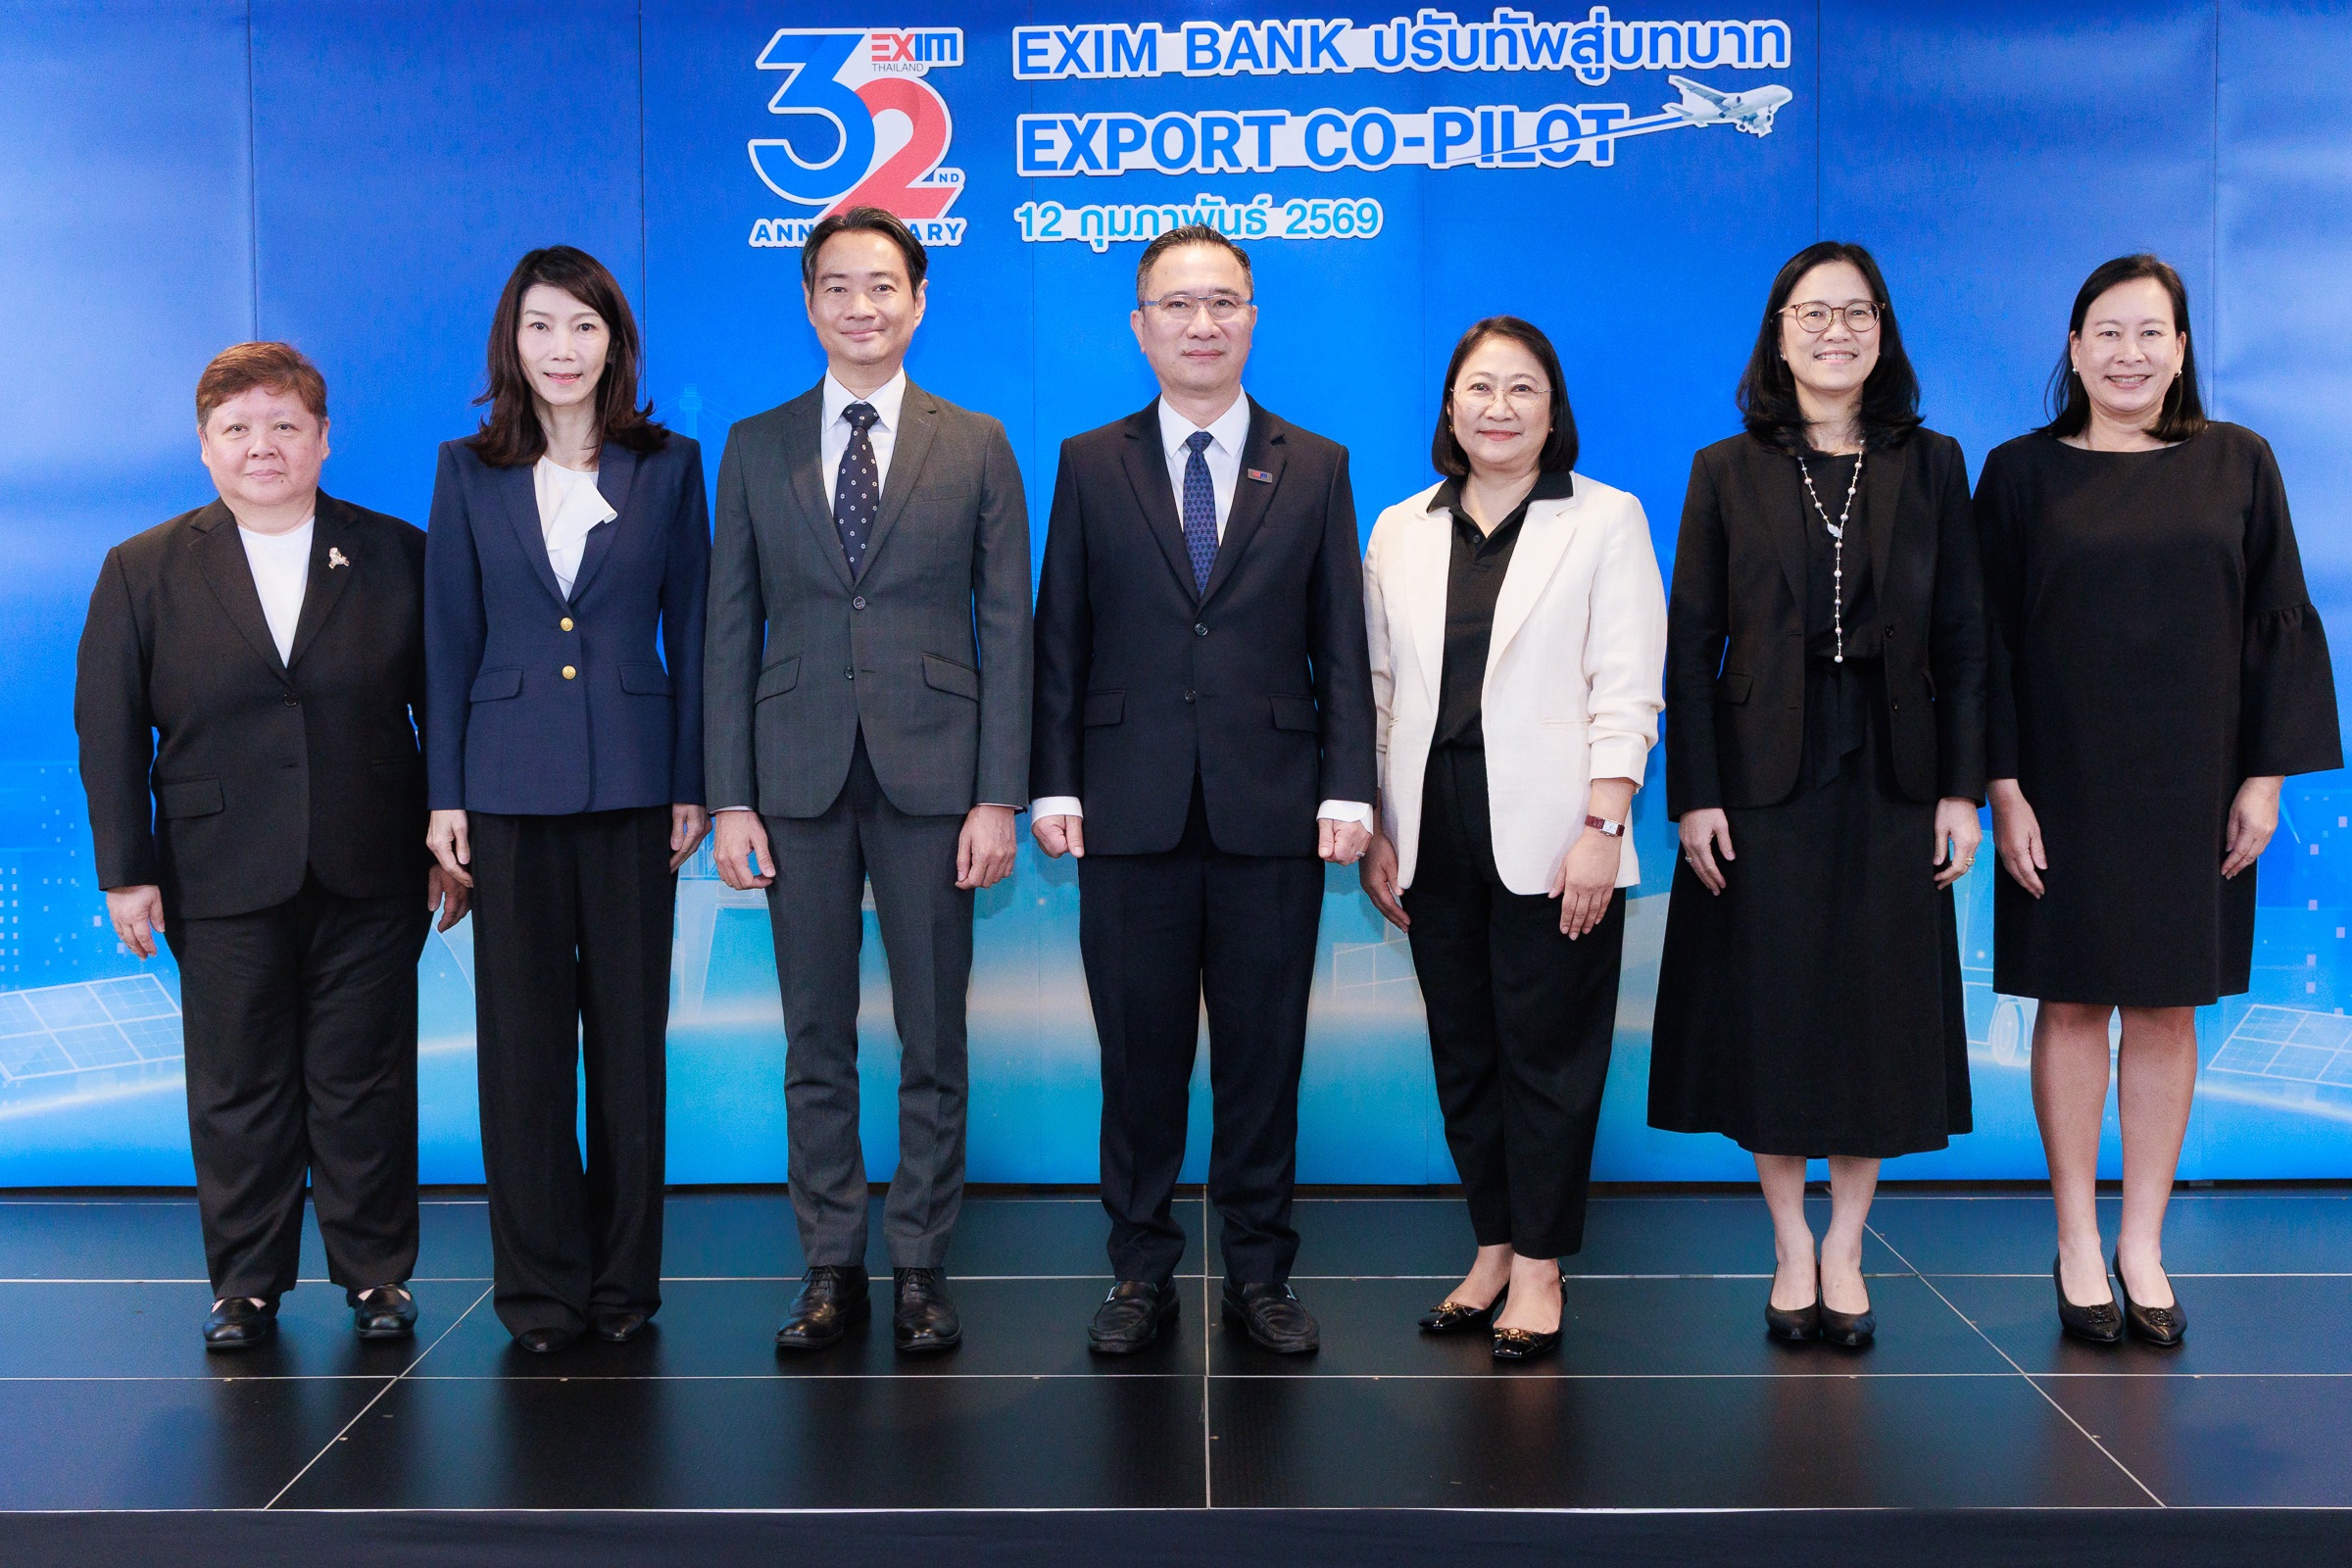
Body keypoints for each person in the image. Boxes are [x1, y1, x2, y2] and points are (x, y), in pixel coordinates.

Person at [1979, 254, 2339, 1348]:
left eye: (2151, 333)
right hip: (2059, 784)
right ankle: (2077, 1242)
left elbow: (2279, 619)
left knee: (2168, 1009)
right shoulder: (2018, 474)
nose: (2128, 353)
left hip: (2194, 783)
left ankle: (2143, 1243)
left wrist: (2264, 780)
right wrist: (2003, 788)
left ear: (2180, 350)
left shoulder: (2239, 461)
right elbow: (1983, 646)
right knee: (2070, 1005)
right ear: (2074, 347)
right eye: (2108, 332)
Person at [76, 342, 465, 1349]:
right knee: (238, 1082)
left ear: (323, 439)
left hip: (373, 860)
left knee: (363, 1076)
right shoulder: (143, 568)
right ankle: (245, 1286)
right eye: (238, 428)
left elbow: (446, 709)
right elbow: (108, 731)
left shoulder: (399, 553)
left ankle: (377, 1276)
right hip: (216, 868)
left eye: (285, 425)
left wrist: (447, 833)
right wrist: (126, 872)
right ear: (205, 445)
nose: (263, 446)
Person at [1031, 224, 1376, 1356]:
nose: (1201, 323)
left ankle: (1261, 1274)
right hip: (1127, 808)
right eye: (1177, 305)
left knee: (1263, 1059)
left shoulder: (1315, 463)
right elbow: (1060, 636)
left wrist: (1348, 788)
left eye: (1222, 302)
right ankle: (1139, 1273)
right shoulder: (1090, 461)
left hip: (1271, 810)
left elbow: (1340, 639)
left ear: (1253, 319)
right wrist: (1053, 782)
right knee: (1137, 1060)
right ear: (1140, 327)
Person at [705, 206, 1031, 1355]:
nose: (861, 306)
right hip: (793, 774)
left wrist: (999, 794)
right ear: (808, 303)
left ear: (919, 299)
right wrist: (730, 796)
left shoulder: (977, 442)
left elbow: (1009, 626)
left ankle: (922, 1263)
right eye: (838, 286)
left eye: (883, 285)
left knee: (935, 1035)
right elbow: (728, 627)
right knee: (815, 1035)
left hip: (938, 775)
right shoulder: (755, 444)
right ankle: (831, 1266)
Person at [1648, 242, 1987, 1348]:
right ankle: (1790, 1242)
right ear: (1779, 333)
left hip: (1895, 770)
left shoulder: (1933, 463)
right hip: (1761, 777)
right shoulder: (1725, 468)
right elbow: (1690, 643)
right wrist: (1696, 795)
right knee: (1776, 1009)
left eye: (1856, 313)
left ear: (1882, 332)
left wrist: (1961, 792)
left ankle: (1847, 1244)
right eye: (1813, 313)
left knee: (1877, 1014)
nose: (1835, 332)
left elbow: (1965, 638)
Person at [1358, 318, 1665, 1360]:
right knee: (1465, 1053)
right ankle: (1492, 1246)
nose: (1499, 407)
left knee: (1550, 1059)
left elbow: (1628, 685)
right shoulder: (1400, 527)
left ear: (1553, 407)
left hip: (1558, 832)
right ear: (1450, 406)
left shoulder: (1605, 517)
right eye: (1480, 388)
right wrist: (1378, 825)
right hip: (1430, 825)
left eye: (1522, 388)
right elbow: (1378, 690)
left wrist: (1603, 825)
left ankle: (1540, 1267)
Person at [423, 246, 710, 1353]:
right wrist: (446, 793)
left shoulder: (670, 465)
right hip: (505, 787)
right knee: (523, 1052)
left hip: (637, 784)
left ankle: (624, 1285)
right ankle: (541, 1292)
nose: (562, 348)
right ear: (513, 340)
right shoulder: (465, 469)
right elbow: (449, 639)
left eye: (584, 326)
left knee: (630, 1049)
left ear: (614, 343)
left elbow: (697, 631)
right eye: (541, 325)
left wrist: (692, 783)